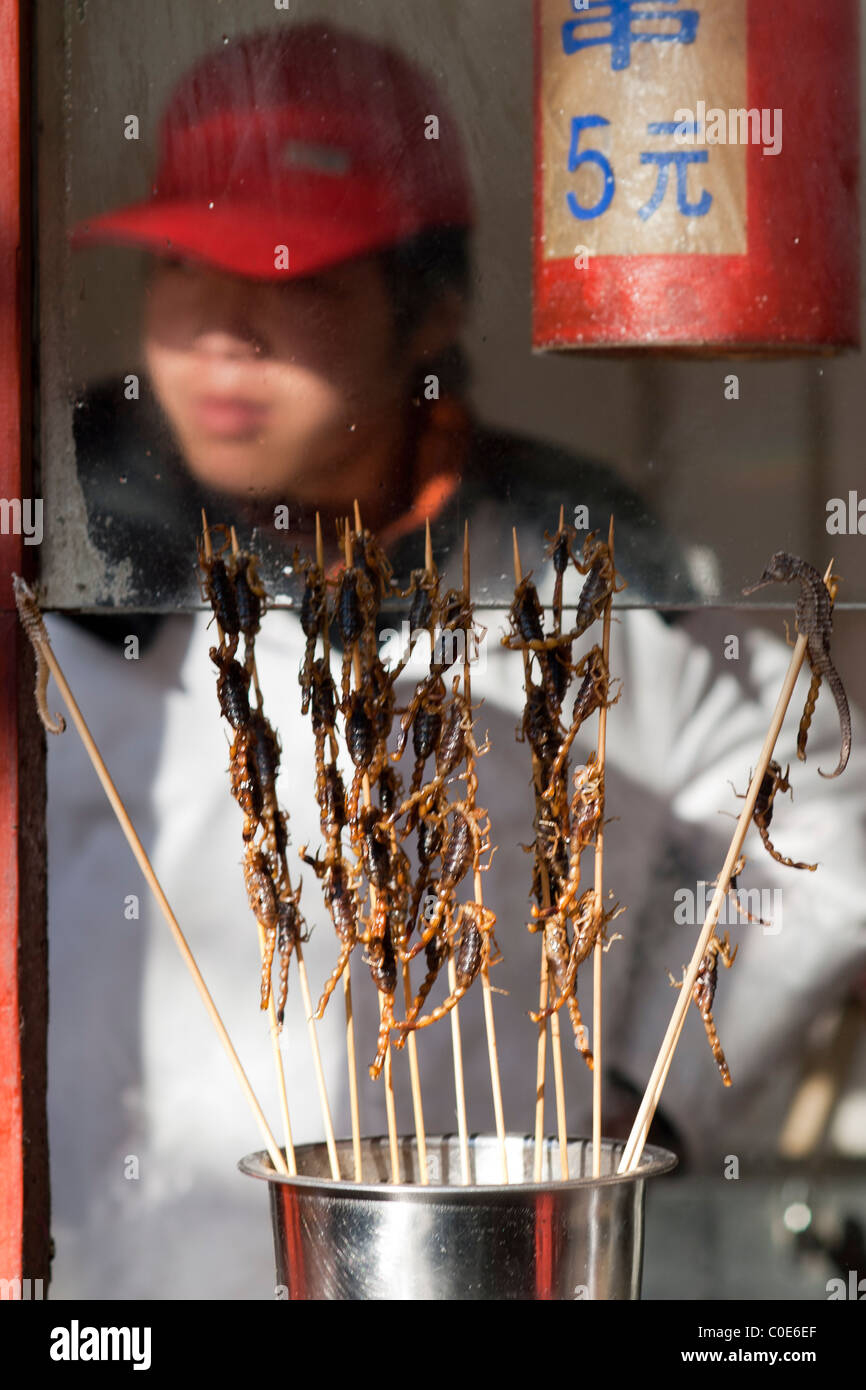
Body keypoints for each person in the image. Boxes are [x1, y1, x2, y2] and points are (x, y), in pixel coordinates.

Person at [46, 23, 865, 1299]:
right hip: (116, 1281)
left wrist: (635, 1100)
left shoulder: (584, 571)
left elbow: (812, 810)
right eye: (179, 268)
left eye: (291, 278)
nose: (218, 329)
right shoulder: (75, 572)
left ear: (424, 304)